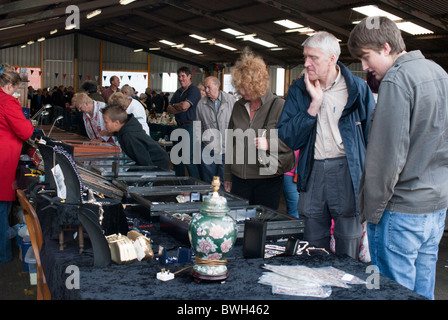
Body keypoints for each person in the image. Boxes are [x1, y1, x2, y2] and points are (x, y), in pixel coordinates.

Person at [348, 16, 448, 300]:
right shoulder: (439, 72)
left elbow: (385, 158)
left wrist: (369, 211)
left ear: (386, 47)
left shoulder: (397, 80)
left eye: (366, 57)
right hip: (435, 209)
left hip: (400, 211)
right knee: (422, 291)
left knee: (390, 292)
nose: (365, 67)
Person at [277, 31, 376, 259]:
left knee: (348, 238)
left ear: (332, 59)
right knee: (312, 237)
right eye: (305, 57)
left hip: (348, 171)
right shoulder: (299, 90)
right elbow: (288, 137)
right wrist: (314, 106)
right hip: (313, 170)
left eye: (313, 58)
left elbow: (371, 138)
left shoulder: (358, 90)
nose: (306, 63)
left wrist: (369, 183)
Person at [224, 48, 294, 210]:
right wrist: (227, 175)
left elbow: (291, 142)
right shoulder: (238, 106)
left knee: (263, 225)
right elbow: (230, 142)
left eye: (246, 87)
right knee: (239, 222)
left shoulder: (280, 106)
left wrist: (270, 144)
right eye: (239, 87)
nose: (241, 92)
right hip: (239, 179)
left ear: (258, 84)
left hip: (268, 180)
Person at [0, 63, 34, 263]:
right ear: (10, 85)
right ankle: (3, 255)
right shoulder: (8, 102)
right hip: (2, 159)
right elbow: (25, 131)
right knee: (1, 208)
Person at [101, 104, 170, 170]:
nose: (104, 124)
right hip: (153, 161)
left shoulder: (129, 137)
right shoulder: (127, 127)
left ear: (116, 123)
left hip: (157, 164)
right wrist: (112, 133)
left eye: (106, 122)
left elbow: (145, 164)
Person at [196, 76, 235, 184]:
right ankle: (210, 201)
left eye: (208, 87)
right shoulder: (201, 104)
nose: (206, 90)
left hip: (226, 149)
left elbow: (237, 124)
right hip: (209, 150)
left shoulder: (230, 101)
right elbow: (198, 128)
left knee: (224, 182)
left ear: (217, 86)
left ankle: (223, 201)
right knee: (209, 182)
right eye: (205, 88)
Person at [167, 66, 202, 180]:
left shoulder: (194, 90)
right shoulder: (178, 92)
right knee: (177, 157)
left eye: (183, 76)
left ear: (189, 76)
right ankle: (180, 185)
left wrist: (177, 106)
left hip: (190, 125)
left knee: (189, 158)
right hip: (178, 126)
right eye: (179, 77)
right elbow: (168, 108)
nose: (181, 79)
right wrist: (180, 106)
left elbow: (185, 106)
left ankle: (196, 186)